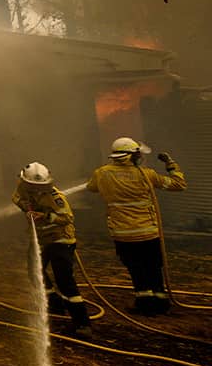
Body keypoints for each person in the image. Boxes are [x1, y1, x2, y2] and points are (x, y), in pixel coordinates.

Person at [86, 137, 187, 315]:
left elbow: (91, 188)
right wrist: (170, 164)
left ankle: (144, 303)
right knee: (154, 267)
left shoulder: (102, 173)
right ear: (132, 156)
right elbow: (179, 184)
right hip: (149, 233)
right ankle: (160, 302)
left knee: (136, 268)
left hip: (123, 234)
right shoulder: (147, 175)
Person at [12, 161, 92, 336]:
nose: (36, 190)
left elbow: (67, 218)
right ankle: (55, 304)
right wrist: (26, 208)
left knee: (64, 281)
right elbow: (16, 198)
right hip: (40, 239)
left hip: (60, 240)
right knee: (35, 272)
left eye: (39, 187)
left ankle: (82, 323)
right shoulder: (23, 188)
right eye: (32, 186)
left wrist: (45, 215)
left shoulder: (56, 197)